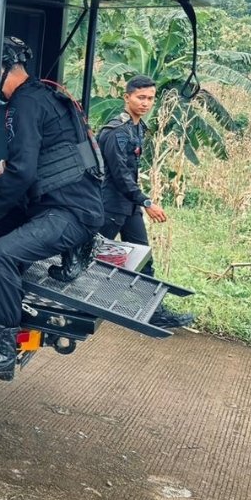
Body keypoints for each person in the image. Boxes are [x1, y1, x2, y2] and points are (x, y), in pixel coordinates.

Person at [0, 37, 105, 381]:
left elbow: (24, 173)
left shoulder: (22, 104)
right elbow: (50, 153)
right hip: (77, 203)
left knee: (3, 253)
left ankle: (3, 350)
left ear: (3, 70)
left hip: (68, 213)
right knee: (7, 227)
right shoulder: (49, 95)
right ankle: (69, 251)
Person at [97, 75, 194, 329]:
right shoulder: (117, 131)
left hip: (128, 207)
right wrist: (147, 202)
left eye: (150, 98)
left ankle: (153, 312)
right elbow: (119, 176)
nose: (146, 103)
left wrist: (140, 202)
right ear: (126, 97)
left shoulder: (138, 128)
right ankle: (79, 303)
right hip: (109, 205)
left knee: (143, 258)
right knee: (91, 256)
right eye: (141, 97)